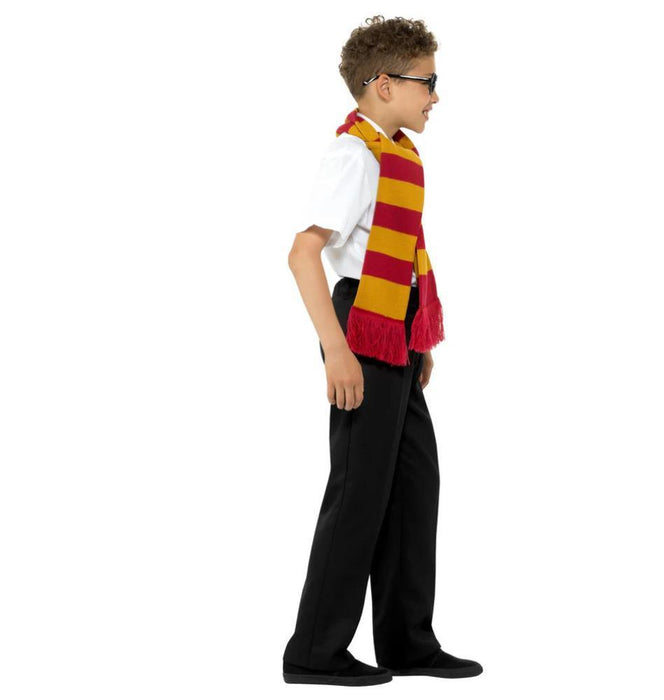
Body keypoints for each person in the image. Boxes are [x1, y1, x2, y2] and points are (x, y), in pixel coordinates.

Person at [282, 15, 483, 686]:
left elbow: (403, 253)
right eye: (428, 81)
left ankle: (407, 641)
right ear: (384, 85)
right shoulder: (354, 155)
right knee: (360, 489)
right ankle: (313, 651)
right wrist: (336, 350)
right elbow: (303, 253)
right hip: (360, 327)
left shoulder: (398, 155)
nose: (435, 95)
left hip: (395, 327)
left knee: (413, 484)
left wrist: (417, 334)